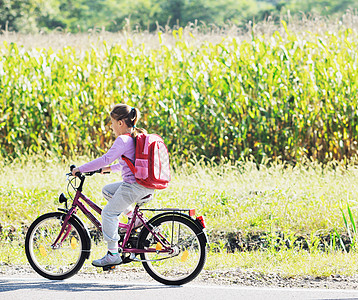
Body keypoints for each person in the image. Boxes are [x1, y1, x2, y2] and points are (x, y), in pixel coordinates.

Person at [71, 104, 155, 267]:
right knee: (107, 190)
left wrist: (79, 169)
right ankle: (134, 219)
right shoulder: (134, 136)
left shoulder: (123, 139)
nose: (111, 126)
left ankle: (112, 254)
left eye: (112, 122)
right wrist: (107, 169)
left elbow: (105, 159)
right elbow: (128, 163)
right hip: (143, 185)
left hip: (134, 186)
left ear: (121, 123)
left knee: (108, 214)